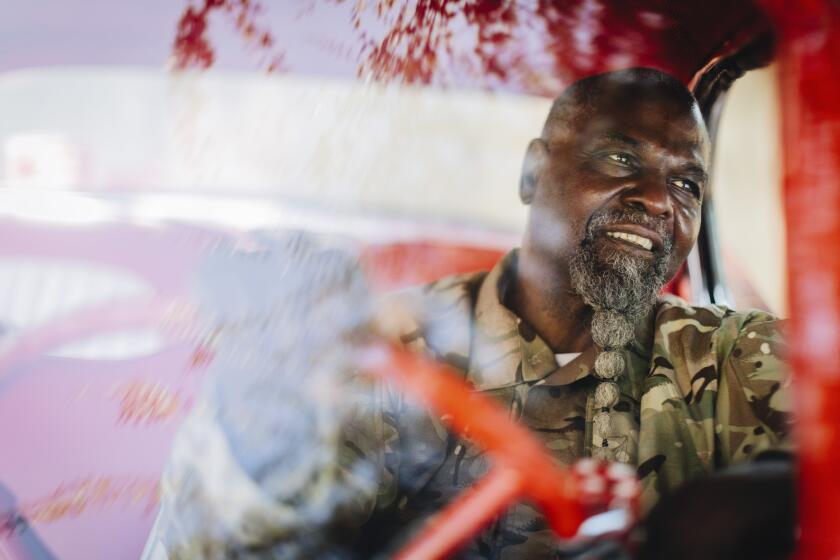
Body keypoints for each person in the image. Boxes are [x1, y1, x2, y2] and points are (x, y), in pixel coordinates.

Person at [144, 68, 793, 560]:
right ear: (534, 173)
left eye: (687, 184)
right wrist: (262, 406)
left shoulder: (734, 360)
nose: (658, 199)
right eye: (622, 158)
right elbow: (226, 541)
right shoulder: (382, 351)